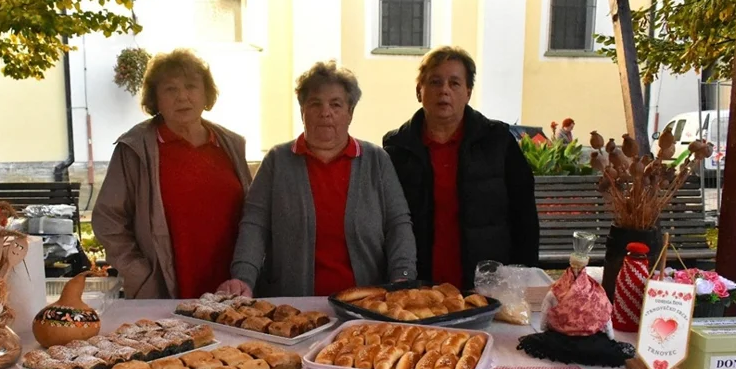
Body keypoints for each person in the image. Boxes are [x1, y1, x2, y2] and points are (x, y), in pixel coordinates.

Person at [218, 61, 417, 297]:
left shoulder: (376, 160)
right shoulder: (277, 160)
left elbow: (398, 225)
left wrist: (402, 278)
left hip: (365, 305)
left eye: (336, 104)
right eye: (315, 104)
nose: (325, 112)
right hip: (292, 307)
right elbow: (254, 224)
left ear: (350, 113)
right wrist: (243, 278)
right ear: (302, 110)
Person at [93, 49, 252, 299]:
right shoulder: (135, 148)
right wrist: (139, 273)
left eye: (191, 86)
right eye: (170, 89)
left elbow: (252, 215)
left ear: (205, 94)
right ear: (156, 99)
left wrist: (247, 272)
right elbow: (108, 218)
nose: (182, 97)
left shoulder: (231, 144)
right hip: (164, 289)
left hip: (230, 288)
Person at [383, 46, 539, 290]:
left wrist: (524, 276)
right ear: (419, 91)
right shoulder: (397, 148)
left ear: (468, 92)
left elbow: (525, 215)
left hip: (487, 284)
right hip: (419, 284)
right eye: (435, 82)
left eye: (454, 83)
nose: (444, 90)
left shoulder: (498, 141)